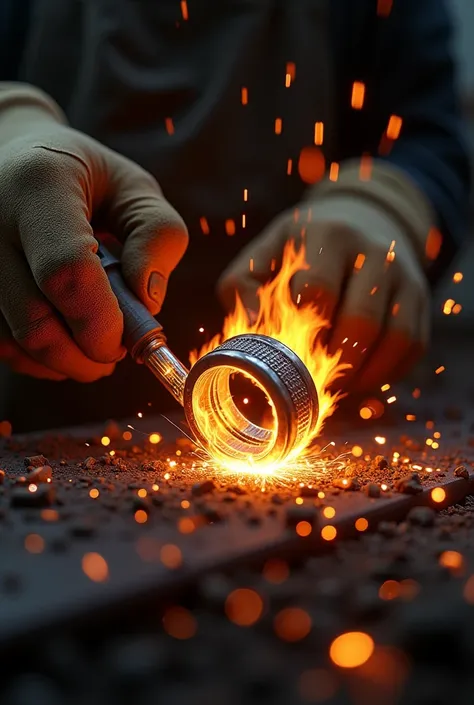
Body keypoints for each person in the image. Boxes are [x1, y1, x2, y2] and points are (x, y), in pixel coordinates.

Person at [0, 0, 469, 431]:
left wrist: (385, 203)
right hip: (46, 409)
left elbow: (430, 140)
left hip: (341, 410)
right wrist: (10, 126)